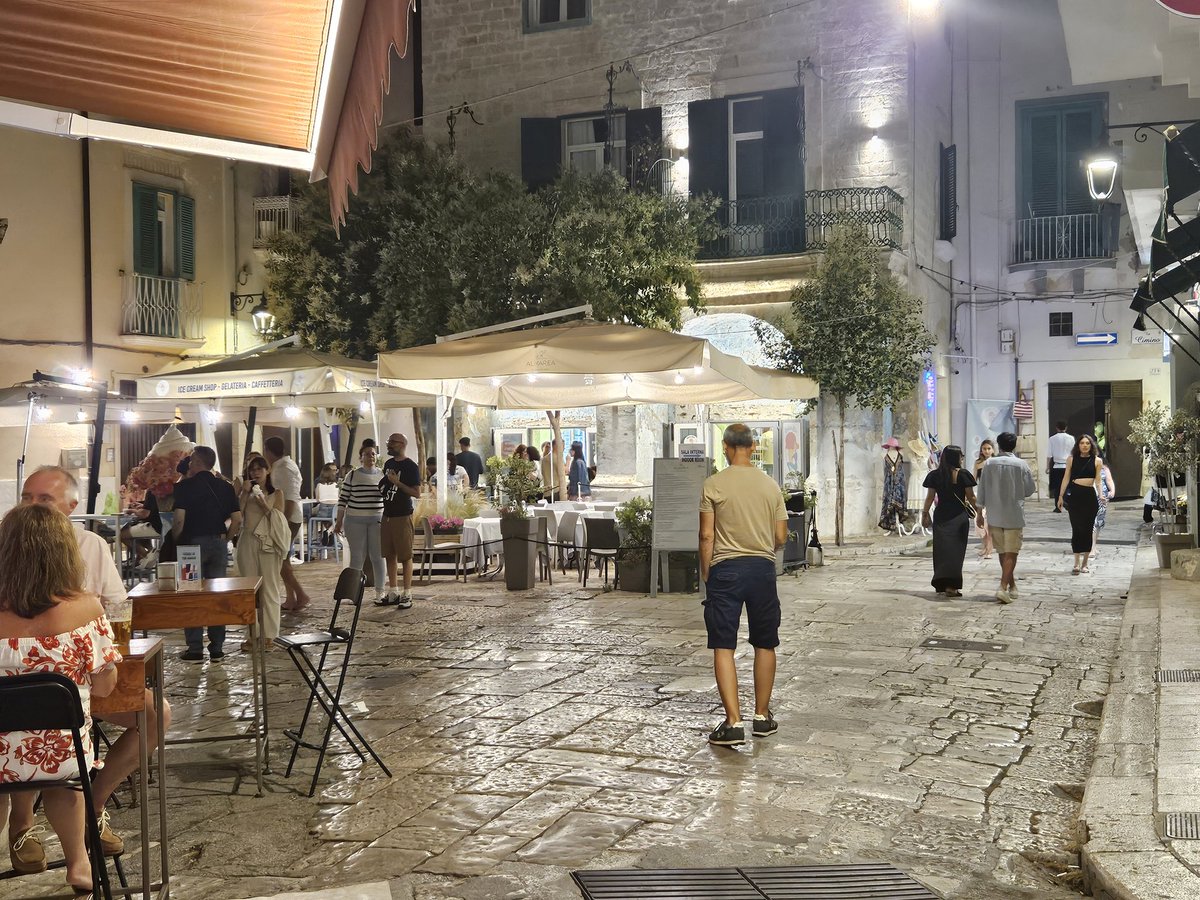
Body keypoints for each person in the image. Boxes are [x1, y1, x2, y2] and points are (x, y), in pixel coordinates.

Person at [11, 467, 171, 865]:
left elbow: (117, 608)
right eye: (27, 498)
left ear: (71, 506)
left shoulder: (91, 546)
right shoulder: (7, 546)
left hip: (80, 680)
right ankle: (21, 821)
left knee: (156, 714)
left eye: (44, 500)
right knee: (22, 713)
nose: (33, 507)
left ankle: (94, 805)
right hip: (25, 692)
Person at [0, 504, 120, 895]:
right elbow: (104, 688)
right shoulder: (85, 609)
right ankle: (79, 863)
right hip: (62, 753)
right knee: (65, 779)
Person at [698, 424, 789, 747]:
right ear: (752, 447)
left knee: (724, 644)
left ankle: (733, 722)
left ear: (725, 447)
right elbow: (781, 537)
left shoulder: (713, 485)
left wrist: (707, 572)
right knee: (765, 642)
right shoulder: (770, 486)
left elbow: (707, 535)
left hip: (725, 569)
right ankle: (762, 717)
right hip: (762, 569)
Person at [172, 446, 242, 661]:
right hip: (218, 543)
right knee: (217, 596)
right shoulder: (225, 486)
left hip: (190, 547)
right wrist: (226, 539)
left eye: (191, 460)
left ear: (196, 461)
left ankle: (194, 648)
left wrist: (176, 540)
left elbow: (179, 520)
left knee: (191, 594)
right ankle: (217, 648)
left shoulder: (184, 487)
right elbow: (237, 520)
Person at [975, 431, 1035, 604]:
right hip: (1013, 513)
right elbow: (1030, 489)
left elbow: (982, 490)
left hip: (994, 513)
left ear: (998, 445)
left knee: (1003, 551)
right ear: (1014, 445)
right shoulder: (1021, 464)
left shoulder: (988, 464)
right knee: (1012, 552)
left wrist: (979, 513)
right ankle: (1002, 587)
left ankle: (1012, 585)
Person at [235, 455, 287, 647]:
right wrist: (243, 494)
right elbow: (238, 516)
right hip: (247, 540)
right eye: (252, 469)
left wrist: (263, 502)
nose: (255, 472)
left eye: (259, 469)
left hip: (268, 543)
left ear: (268, 471)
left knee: (269, 588)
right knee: (248, 590)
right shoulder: (245, 492)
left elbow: (278, 518)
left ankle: (269, 634)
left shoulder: (277, 493)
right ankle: (251, 635)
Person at [920, 445, 977, 598]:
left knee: (941, 551)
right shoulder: (963, 475)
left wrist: (925, 514)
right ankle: (952, 586)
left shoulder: (935, 475)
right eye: (961, 455)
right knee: (956, 552)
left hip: (941, 516)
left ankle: (942, 584)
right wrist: (980, 513)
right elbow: (971, 497)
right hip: (958, 517)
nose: (962, 458)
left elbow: (930, 498)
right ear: (956, 457)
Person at [264, 436, 311, 613]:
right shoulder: (281, 466)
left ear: (268, 450)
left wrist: (281, 523)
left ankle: (301, 594)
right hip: (285, 517)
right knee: (282, 559)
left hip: (287, 519)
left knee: (280, 559)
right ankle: (292, 597)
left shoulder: (285, 468)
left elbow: (290, 498)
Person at [335, 445, 387, 602]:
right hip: (354, 520)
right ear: (361, 457)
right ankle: (354, 593)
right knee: (357, 557)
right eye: (367, 454)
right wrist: (339, 521)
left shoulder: (382, 475)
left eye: (373, 454)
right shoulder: (352, 475)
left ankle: (380, 592)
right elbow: (343, 500)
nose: (371, 457)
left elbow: (386, 497)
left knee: (378, 556)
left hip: (376, 519)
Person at [379, 432, 421, 609]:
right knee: (389, 554)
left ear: (402, 444)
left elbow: (416, 493)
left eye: (392, 443)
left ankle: (407, 593)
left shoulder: (411, 466)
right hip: (387, 514)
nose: (389, 445)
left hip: (403, 515)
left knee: (405, 555)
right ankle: (393, 590)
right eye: (388, 442)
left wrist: (398, 483)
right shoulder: (388, 464)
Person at [1059, 433, 1100, 575]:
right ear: (1078, 445)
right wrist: (1060, 496)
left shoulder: (1097, 461)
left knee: (1088, 529)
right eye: (1082, 443)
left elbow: (1098, 480)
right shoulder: (1071, 459)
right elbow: (1066, 478)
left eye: (1087, 443)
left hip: (1089, 496)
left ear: (1091, 445)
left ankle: (1085, 563)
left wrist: (1101, 495)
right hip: (1075, 495)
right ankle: (1076, 562)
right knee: (1076, 528)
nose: (1085, 445)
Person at [878, 437, 907, 531]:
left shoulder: (901, 454)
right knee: (889, 502)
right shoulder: (884, 455)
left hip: (899, 482)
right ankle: (892, 523)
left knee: (898, 501)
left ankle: (898, 521)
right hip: (889, 482)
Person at [973, 439, 995, 559]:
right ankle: (985, 546)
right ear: (981, 450)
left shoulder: (996, 461)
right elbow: (973, 479)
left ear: (993, 450)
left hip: (993, 495)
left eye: (988, 448)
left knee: (989, 523)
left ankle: (989, 549)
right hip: (982, 494)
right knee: (980, 522)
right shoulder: (978, 463)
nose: (986, 451)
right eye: (984, 449)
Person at [1047, 421, 1074, 512]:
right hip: (1068, 465)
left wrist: (1047, 467)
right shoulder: (1071, 438)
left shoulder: (1052, 439)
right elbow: (1074, 453)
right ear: (1066, 428)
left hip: (1057, 466)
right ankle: (1066, 501)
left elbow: (1049, 455)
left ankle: (1058, 506)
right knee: (1068, 486)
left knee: (1057, 487)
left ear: (1057, 428)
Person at [1093, 457, 1116, 555]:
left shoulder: (1104, 468)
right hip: (1089, 495)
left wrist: (1112, 491)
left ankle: (1093, 545)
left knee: (1098, 522)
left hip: (1102, 498)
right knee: (1092, 522)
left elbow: (1109, 480)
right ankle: (1091, 548)